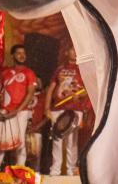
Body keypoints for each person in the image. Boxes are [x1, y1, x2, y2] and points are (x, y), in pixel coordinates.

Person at [0, 45, 38, 171]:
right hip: (4, 110)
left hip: (21, 111)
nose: (22, 56)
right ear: (13, 55)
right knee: (1, 140)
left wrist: (18, 110)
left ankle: (20, 169)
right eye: (19, 53)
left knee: (19, 140)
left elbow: (30, 93)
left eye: (24, 53)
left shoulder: (29, 73)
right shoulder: (5, 72)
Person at [44, 46, 88, 177]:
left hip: (75, 109)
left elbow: (88, 88)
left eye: (76, 49)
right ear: (66, 52)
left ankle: (70, 171)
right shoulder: (60, 69)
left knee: (72, 141)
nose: (75, 52)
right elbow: (51, 89)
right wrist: (47, 108)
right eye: (72, 49)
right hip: (58, 108)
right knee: (57, 140)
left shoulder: (82, 69)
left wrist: (78, 95)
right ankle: (55, 171)